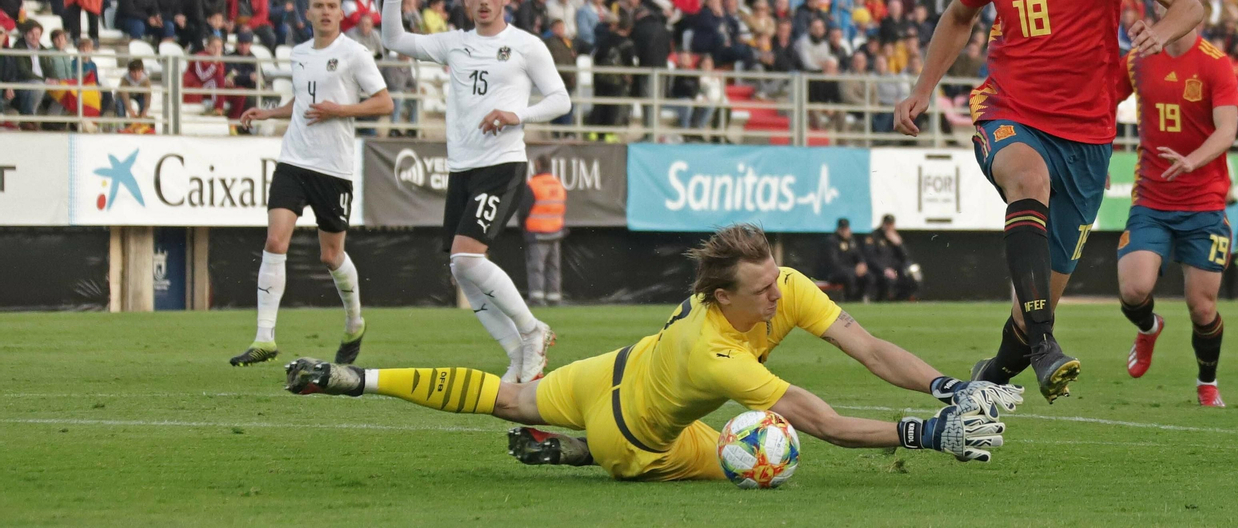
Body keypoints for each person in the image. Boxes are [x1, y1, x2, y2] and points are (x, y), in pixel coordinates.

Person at [284, 224, 1014, 481]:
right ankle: (580, 455)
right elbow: (814, 416)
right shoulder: (716, 353)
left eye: (774, 280)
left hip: (609, 370)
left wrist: (947, 387)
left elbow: (866, 344)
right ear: (722, 297)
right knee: (749, 452)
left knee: (508, 395)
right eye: (760, 290)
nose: (776, 296)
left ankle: (355, 377)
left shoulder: (780, 284)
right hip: (632, 439)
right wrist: (927, 434)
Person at [894, 0, 1202, 402]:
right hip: (1007, 108)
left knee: (1023, 316)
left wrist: (1157, 36)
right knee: (1027, 178)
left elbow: (1187, 0)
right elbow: (959, 17)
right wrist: (923, 87)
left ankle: (983, 389)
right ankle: (1046, 344)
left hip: (1087, 136)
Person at [382, 0, 569, 382]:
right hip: (462, 168)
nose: (484, 0)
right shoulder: (454, 43)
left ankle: (532, 330)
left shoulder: (526, 45)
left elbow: (562, 100)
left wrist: (516, 114)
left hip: (502, 165)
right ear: (465, 0)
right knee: (459, 267)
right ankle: (516, 352)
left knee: (466, 257)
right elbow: (393, 38)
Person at [231, 0, 393, 366]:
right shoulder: (299, 54)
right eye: (318, 5)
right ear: (308, 13)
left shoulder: (355, 54)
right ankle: (264, 338)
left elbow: (384, 102)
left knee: (330, 255)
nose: (324, 11)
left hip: (333, 168)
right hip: (294, 160)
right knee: (275, 239)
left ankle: (355, 321)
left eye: (331, 6)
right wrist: (269, 113)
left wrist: (340, 110)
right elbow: (302, 101)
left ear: (341, 13)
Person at [1110, 0, 1238, 408]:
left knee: (1203, 308)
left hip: (1203, 203)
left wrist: (1192, 160)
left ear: (1195, 6)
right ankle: (1148, 328)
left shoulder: (1216, 65)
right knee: (1133, 289)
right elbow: (1101, 105)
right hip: (1152, 199)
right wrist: (1093, 154)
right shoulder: (1138, 60)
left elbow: (1227, 130)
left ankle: (1207, 384)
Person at [521, 154, 567, 307]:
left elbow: (523, 210)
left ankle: (537, 298)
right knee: (554, 268)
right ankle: (554, 297)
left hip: (537, 233)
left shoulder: (533, 184)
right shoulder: (557, 183)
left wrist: (523, 227)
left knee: (536, 268)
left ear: (538, 165)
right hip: (555, 232)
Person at [869, 214, 920, 301]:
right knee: (888, 280)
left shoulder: (895, 237)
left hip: (896, 270)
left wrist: (899, 244)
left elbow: (906, 257)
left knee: (913, 278)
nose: (889, 227)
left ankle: (902, 300)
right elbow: (871, 257)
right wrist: (884, 269)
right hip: (881, 270)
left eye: (891, 224)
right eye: (887, 224)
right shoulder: (875, 236)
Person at [823, 217, 874, 302]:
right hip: (836, 273)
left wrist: (862, 264)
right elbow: (834, 263)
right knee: (850, 277)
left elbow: (859, 255)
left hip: (852, 270)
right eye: (842, 229)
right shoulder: (832, 241)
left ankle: (864, 298)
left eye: (846, 229)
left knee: (869, 276)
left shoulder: (851, 241)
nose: (845, 231)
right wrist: (854, 270)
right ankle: (850, 300)